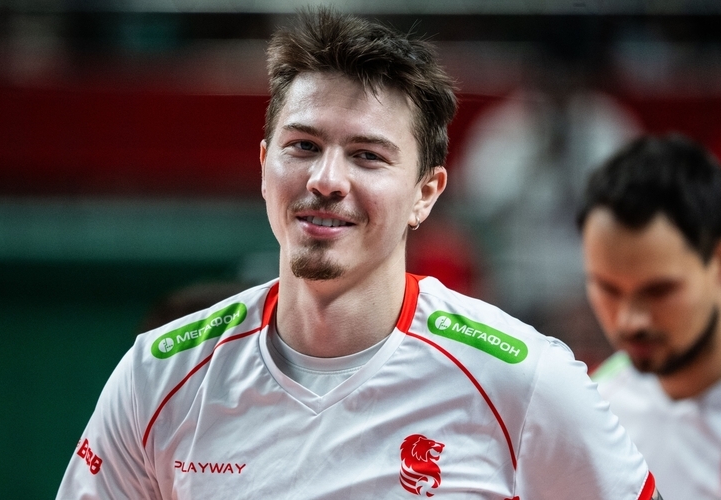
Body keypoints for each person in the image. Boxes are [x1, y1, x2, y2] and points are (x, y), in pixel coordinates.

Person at [57, 8, 660, 499]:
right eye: (303, 145)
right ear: (264, 165)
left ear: (426, 194)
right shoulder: (156, 375)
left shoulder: (526, 381)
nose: (326, 179)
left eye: (367, 156)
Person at [578, 134, 721, 500]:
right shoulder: (592, 408)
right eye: (607, 289)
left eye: (659, 291)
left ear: (717, 262)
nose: (630, 321)